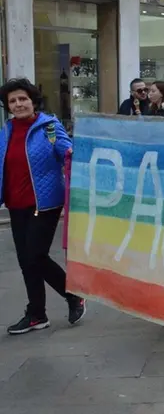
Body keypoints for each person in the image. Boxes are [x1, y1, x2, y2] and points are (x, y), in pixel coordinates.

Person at [0, 78, 86, 335]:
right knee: (26, 261)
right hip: (16, 203)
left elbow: (67, 150)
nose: (18, 104)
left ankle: (73, 295)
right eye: (13, 101)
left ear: (32, 101)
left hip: (45, 203)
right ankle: (37, 314)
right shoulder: (6, 131)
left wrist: (71, 153)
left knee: (36, 255)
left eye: (22, 99)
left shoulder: (48, 126)